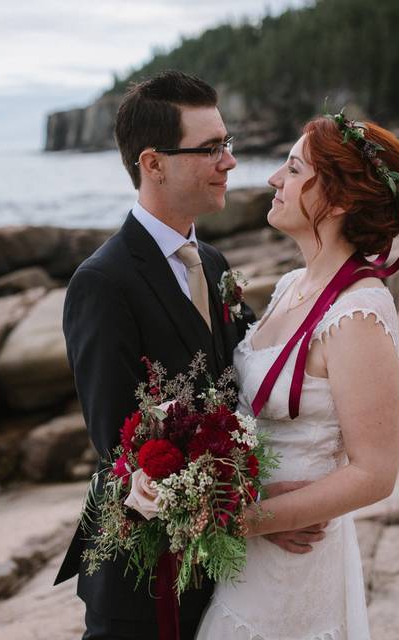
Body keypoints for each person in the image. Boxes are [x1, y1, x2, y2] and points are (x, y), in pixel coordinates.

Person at [55, 70, 321, 640]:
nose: (229, 162)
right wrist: (256, 510)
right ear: (153, 164)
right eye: (210, 149)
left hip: (227, 575)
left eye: (227, 144)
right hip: (144, 585)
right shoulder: (102, 284)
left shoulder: (216, 265)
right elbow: (123, 449)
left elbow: (240, 384)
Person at [195, 113, 399, 639]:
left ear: (337, 201)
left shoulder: (358, 312)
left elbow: (373, 472)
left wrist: (248, 519)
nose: (275, 179)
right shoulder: (293, 283)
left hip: (297, 560)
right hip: (247, 555)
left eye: (293, 169)